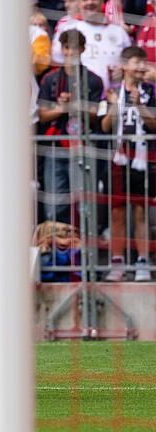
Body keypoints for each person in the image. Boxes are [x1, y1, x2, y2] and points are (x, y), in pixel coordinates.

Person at [99, 46, 156, 282]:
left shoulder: (151, 91)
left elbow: (154, 126)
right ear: (123, 65)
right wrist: (115, 105)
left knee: (141, 210)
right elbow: (104, 126)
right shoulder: (111, 91)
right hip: (118, 158)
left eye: (144, 62)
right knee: (117, 212)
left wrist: (140, 106)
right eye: (136, 61)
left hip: (143, 159)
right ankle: (118, 264)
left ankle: (143, 261)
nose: (141, 66)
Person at [39, 29, 103, 224]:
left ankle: (82, 252)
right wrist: (63, 108)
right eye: (67, 47)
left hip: (83, 148)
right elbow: (42, 116)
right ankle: (59, 252)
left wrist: (78, 105)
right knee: (55, 205)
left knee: (84, 205)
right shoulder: (50, 79)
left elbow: (97, 118)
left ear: (83, 49)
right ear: (62, 49)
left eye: (76, 47)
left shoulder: (93, 79)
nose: (71, 52)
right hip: (55, 149)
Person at [51, 0, 130, 89]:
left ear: (103, 2)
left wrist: (123, 70)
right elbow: (56, 61)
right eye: (85, 0)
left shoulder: (119, 32)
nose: (90, 2)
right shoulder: (69, 29)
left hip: (113, 97)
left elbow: (130, 64)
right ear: (79, 3)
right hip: (80, 96)